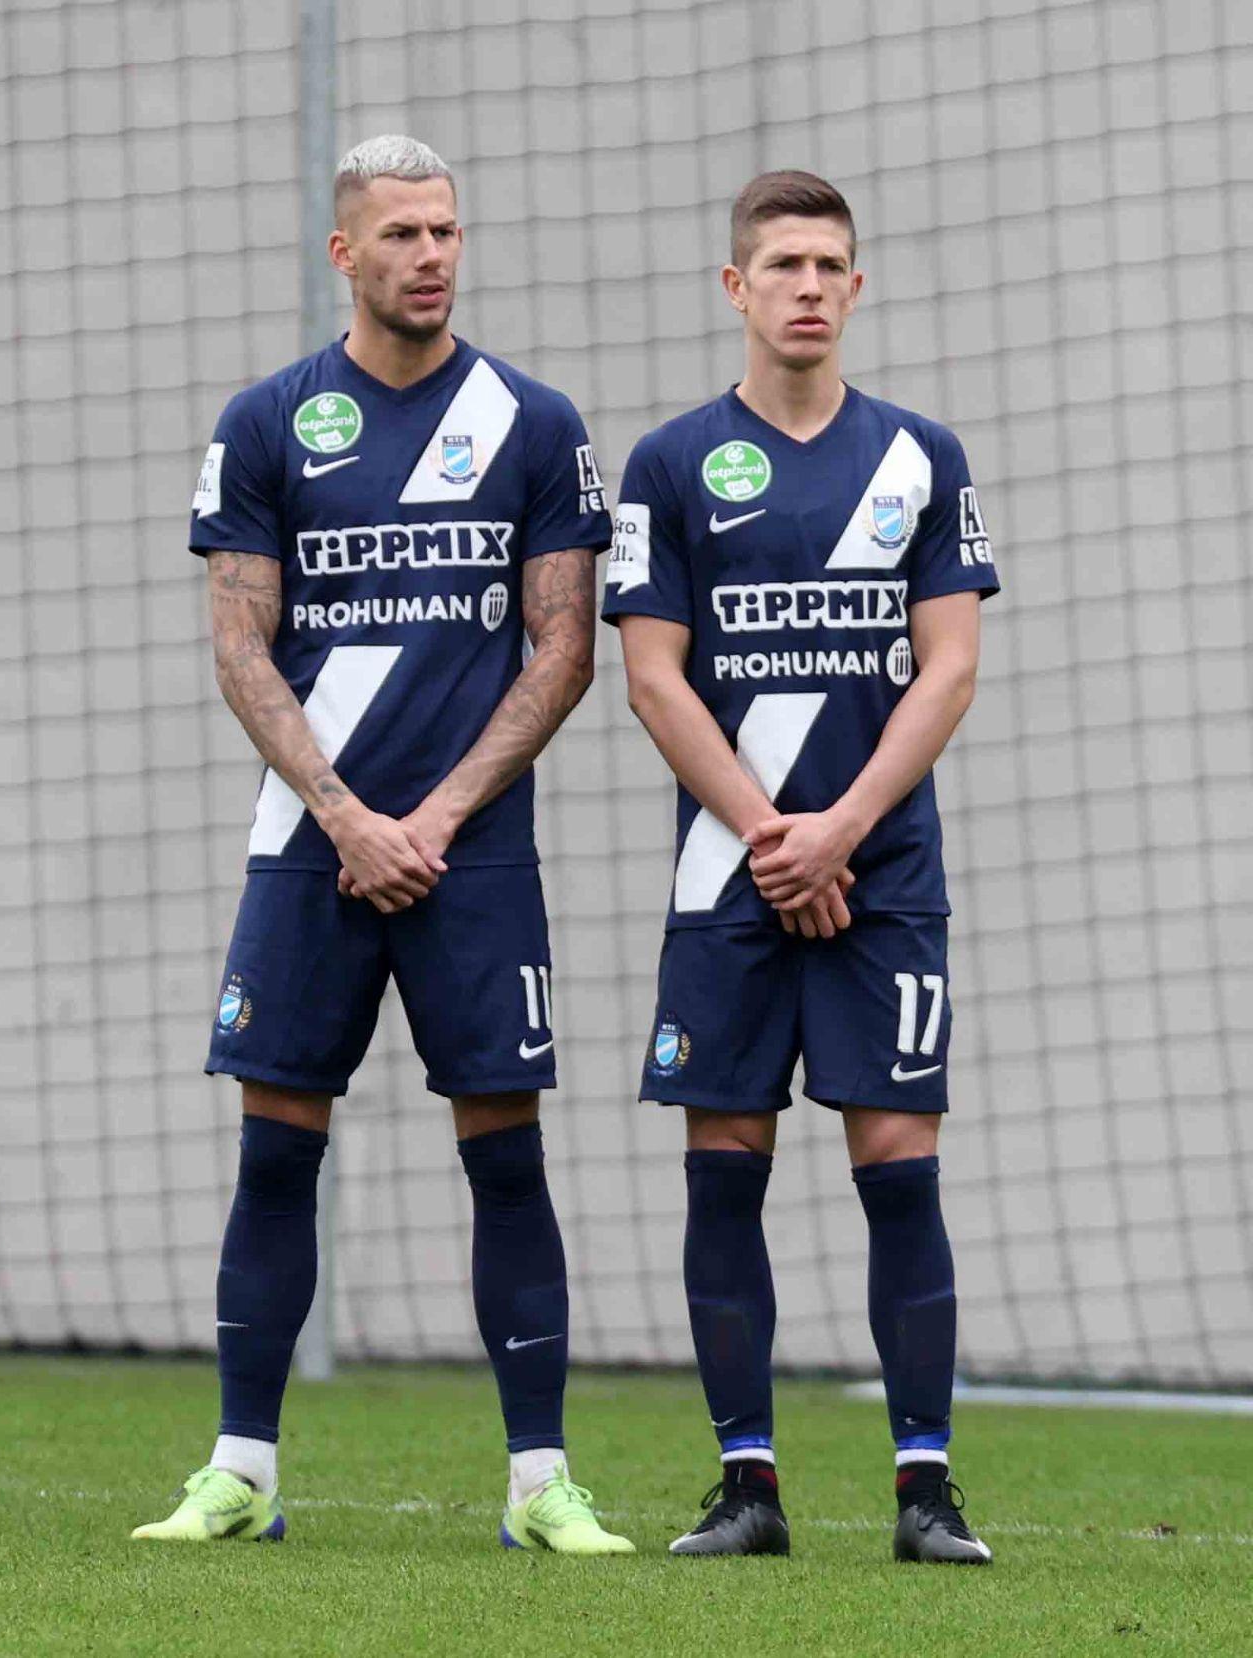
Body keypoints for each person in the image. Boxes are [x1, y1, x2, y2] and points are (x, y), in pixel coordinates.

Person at [132, 135, 632, 1556]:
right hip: (312, 846)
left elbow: (563, 649)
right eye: (402, 233)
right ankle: (242, 1472)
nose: (430, 255)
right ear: (343, 252)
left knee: (508, 1154)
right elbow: (240, 646)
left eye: (446, 230)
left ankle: (540, 1484)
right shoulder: (267, 422)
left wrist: (435, 818)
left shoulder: (534, 422)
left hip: (473, 855)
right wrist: (348, 815)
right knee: (275, 1150)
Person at [602, 170, 998, 1563]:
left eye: (831, 264)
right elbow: (653, 678)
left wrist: (839, 832)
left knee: (898, 1158)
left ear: (858, 284)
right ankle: (747, 1486)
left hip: (882, 878)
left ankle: (925, 1491)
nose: (810, 287)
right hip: (732, 880)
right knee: (726, 1162)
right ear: (737, 287)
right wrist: (778, 839)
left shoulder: (922, 458)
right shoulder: (667, 465)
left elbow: (948, 669)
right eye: (784, 265)